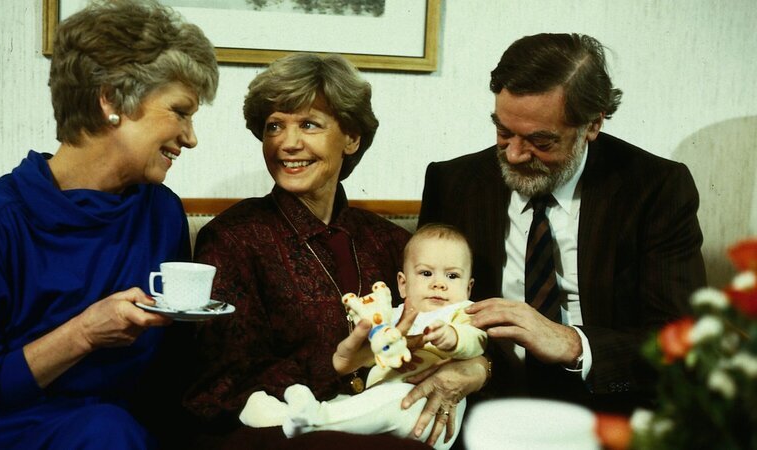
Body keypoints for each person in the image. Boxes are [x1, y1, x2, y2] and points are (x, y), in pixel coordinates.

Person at [183, 53, 489, 449]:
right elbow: (223, 385)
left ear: (351, 137)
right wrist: (335, 367)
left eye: (309, 124)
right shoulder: (232, 239)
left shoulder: (392, 242)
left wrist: (477, 368)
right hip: (279, 432)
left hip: (393, 420)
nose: (288, 144)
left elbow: (458, 318)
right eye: (274, 126)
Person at [0, 1, 218, 448]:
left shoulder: (161, 213)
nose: (191, 137)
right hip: (7, 432)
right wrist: (82, 334)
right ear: (111, 100)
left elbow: (171, 378)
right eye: (179, 111)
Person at [419, 33, 706, 413]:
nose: (516, 155)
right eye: (504, 132)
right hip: (483, 401)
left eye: (541, 141)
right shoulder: (452, 183)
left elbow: (680, 339)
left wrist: (572, 343)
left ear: (592, 124)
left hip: (608, 407)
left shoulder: (655, 189)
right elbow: (427, 309)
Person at [237, 223, 486, 450]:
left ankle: (314, 419)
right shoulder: (395, 315)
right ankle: (280, 415)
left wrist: (454, 338)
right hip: (378, 396)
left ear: (468, 287)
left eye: (452, 276)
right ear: (403, 283)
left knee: (392, 402)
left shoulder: (461, 312)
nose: (439, 284)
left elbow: (477, 339)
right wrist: (371, 343)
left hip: (428, 413)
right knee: (352, 401)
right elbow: (371, 356)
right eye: (426, 274)